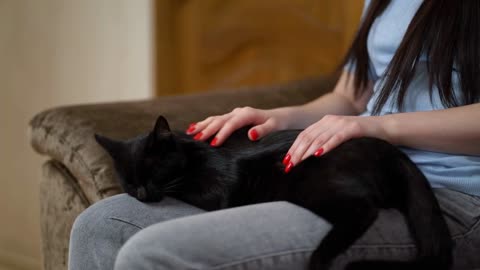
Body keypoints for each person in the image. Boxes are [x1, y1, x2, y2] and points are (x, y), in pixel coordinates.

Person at [69, 1, 480, 269]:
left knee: (150, 253)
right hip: (358, 169)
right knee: (100, 225)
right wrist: (276, 117)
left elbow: (367, 118)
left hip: (447, 198)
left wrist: (381, 127)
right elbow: (351, 98)